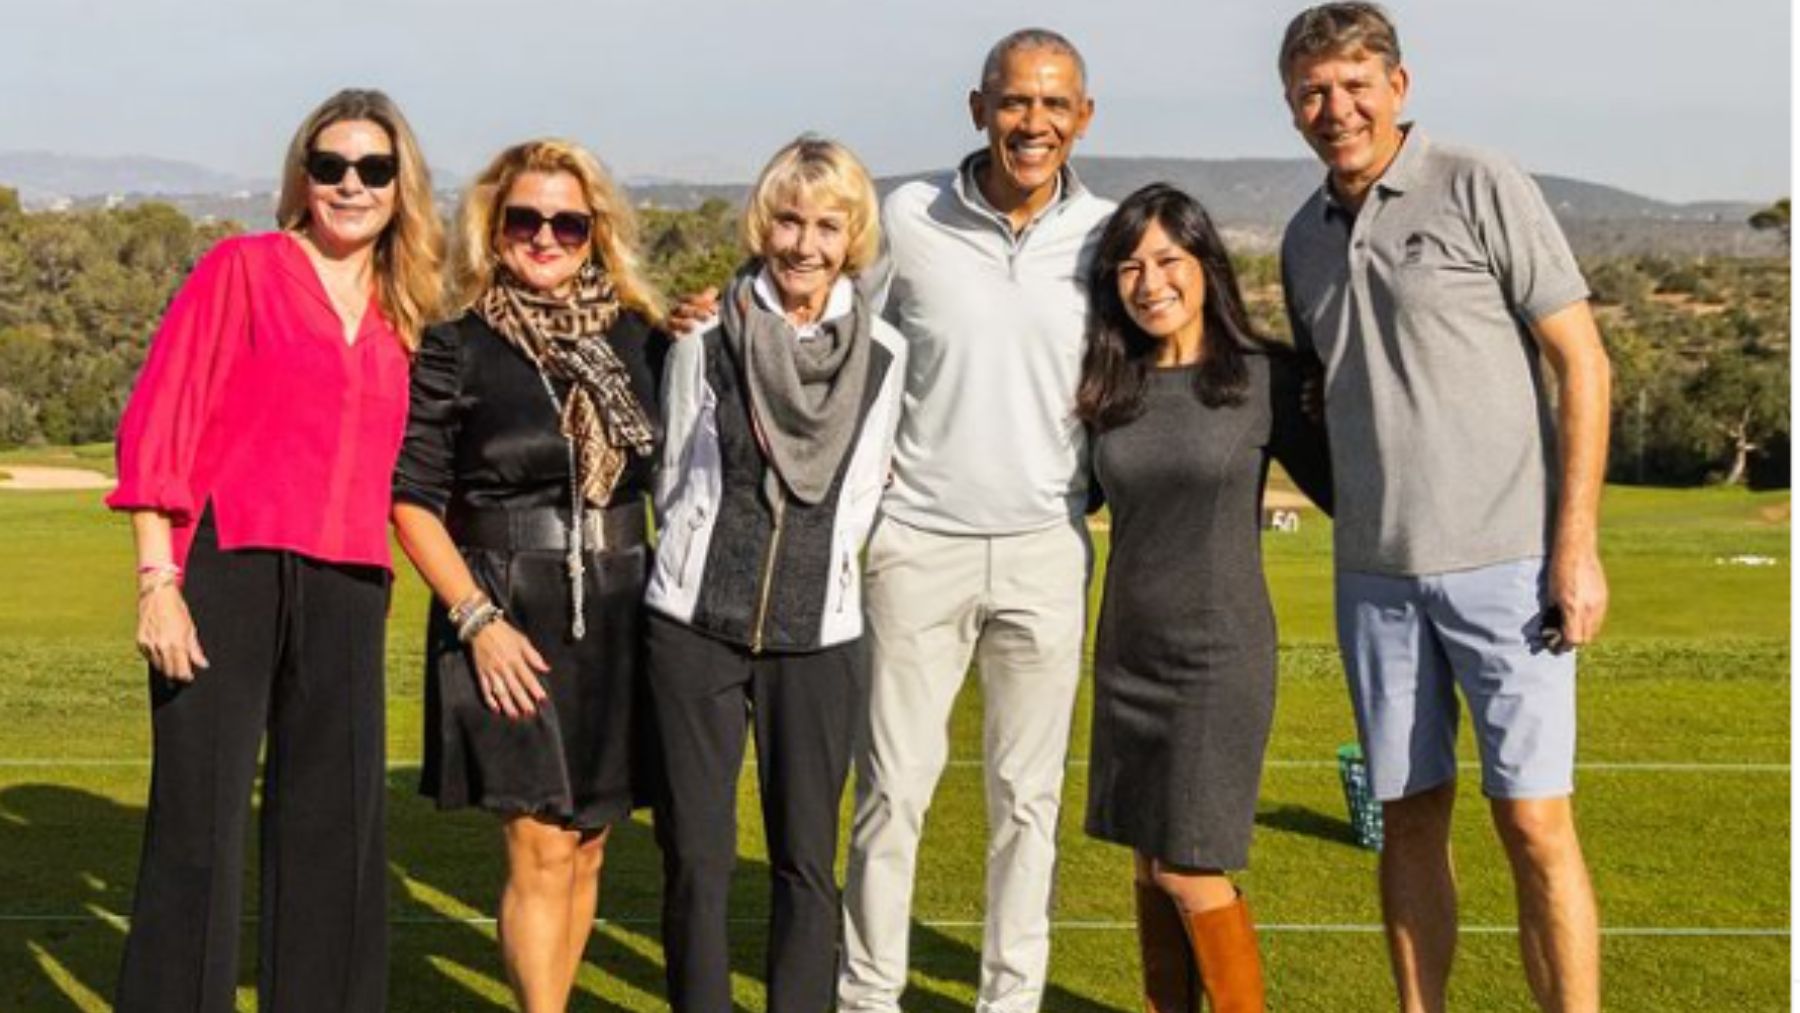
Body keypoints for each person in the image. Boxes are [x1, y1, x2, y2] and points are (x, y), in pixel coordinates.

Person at [1276, 5, 1610, 1012]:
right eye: (1314, 92)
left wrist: (1575, 547)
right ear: (1293, 105)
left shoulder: (1479, 182)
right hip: (1375, 580)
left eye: (1355, 84)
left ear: (1399, 86)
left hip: (1511, 565)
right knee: (1407, 816)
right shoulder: (1302, 239)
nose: (1337, 108)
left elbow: (1582, 362)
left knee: (1536, 823)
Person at [108, 87, 442, 1012]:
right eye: (329, 165)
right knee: (197, 829)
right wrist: (157, 581)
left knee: (336, 835)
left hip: (349, 582)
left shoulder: (409, 308)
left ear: (399, 183)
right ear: (303, 176)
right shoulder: (242, 269)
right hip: (227, 568)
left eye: (372, 168)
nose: (349, 184)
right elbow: (158, 423)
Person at [837, 27, 1116, 1013]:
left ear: (1083, 118)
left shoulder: (1111, 234)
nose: (1031, 123)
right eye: (1013, 102)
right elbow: (830, 326)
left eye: (1053, 105)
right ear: (977, 108)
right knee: (892, 792)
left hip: (1047, 548)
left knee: (1026, 804)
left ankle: (1010, 997)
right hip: (916, 545)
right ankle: (868, 994)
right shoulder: (904, 216)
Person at [391, 138, 667, 1013]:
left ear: (596, 233)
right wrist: (477, 619)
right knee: (540, 844)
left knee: (589, 842)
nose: (545, 238)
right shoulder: (455, 346)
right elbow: (411, 500)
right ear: (493, 228)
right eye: (525, 220)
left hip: (624, 606)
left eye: (567, 223)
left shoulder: (642, 339)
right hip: (505, 612)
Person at [643, 135, 907, 1013]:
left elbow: (865, 491)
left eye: (828, 226)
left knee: (805, 860)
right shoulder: (703, 335)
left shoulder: (887, 356)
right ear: (765, 221)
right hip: (693, 629)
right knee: (698, 856)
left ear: (852, 236)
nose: (804, 244)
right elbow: (674, 471)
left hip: (818, 638)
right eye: (789, 219)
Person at [1077, 183, 1331, 1013]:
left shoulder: (1266, 379)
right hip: (1127, 655)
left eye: (1167, 260)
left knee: (1189, 865)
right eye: (1129, 266)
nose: (1149, 281)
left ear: (1205, 265)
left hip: (1216, 660)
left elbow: (1351, 488)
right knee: (1152, 862)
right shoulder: (1108, 389)